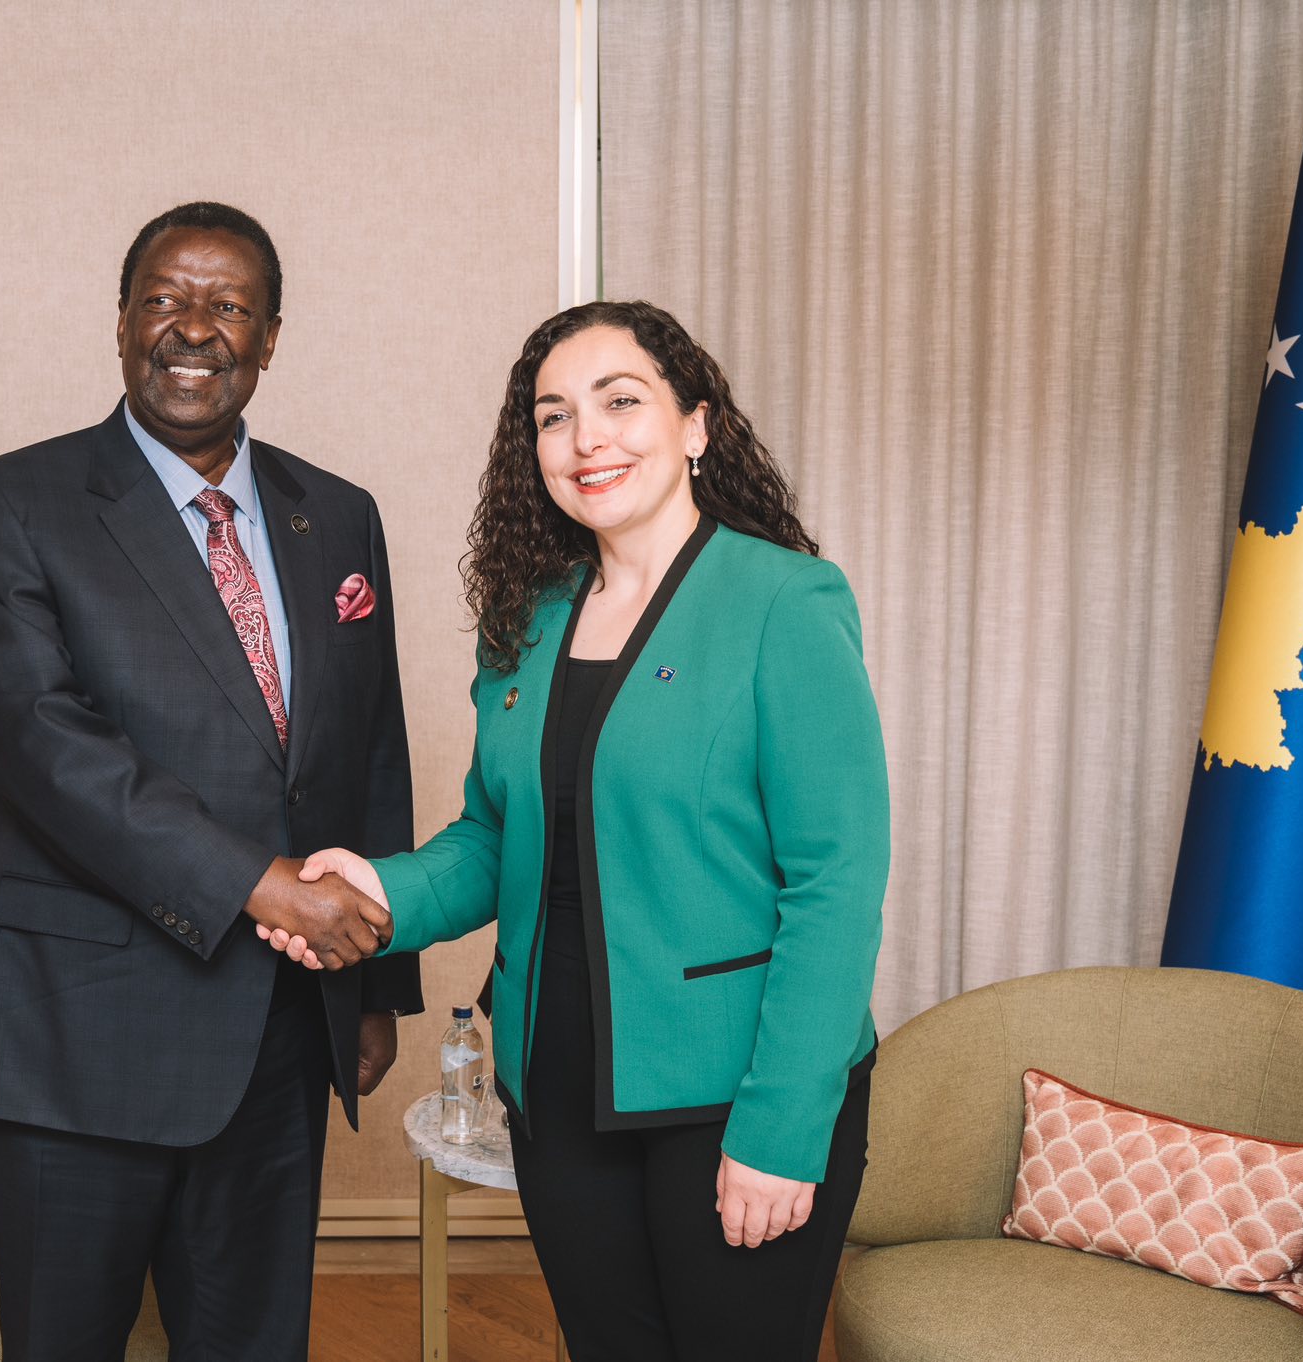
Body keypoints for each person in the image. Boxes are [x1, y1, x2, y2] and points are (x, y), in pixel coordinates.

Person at [262, 300, 888, 1362]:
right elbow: (492, 840)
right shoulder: (531, 617)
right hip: (555, 1088)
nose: (586, 438)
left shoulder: (783, 601)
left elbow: (835, 884)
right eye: (554, 416)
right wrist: (378, 890)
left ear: (695, 425)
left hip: (732, 1092)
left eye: (620, 401)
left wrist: (784, 1129)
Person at [0, 201, 423, 1361]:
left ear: (269, 338)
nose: (192, 328)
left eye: (228, 306)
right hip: (68, 1040)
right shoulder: (7, 506)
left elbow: (369, 752)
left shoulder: (335, 515)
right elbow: (46, 750)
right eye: (163, 299)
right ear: (119, 323)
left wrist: (373, 988)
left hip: (278, 1040)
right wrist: (262, 884)